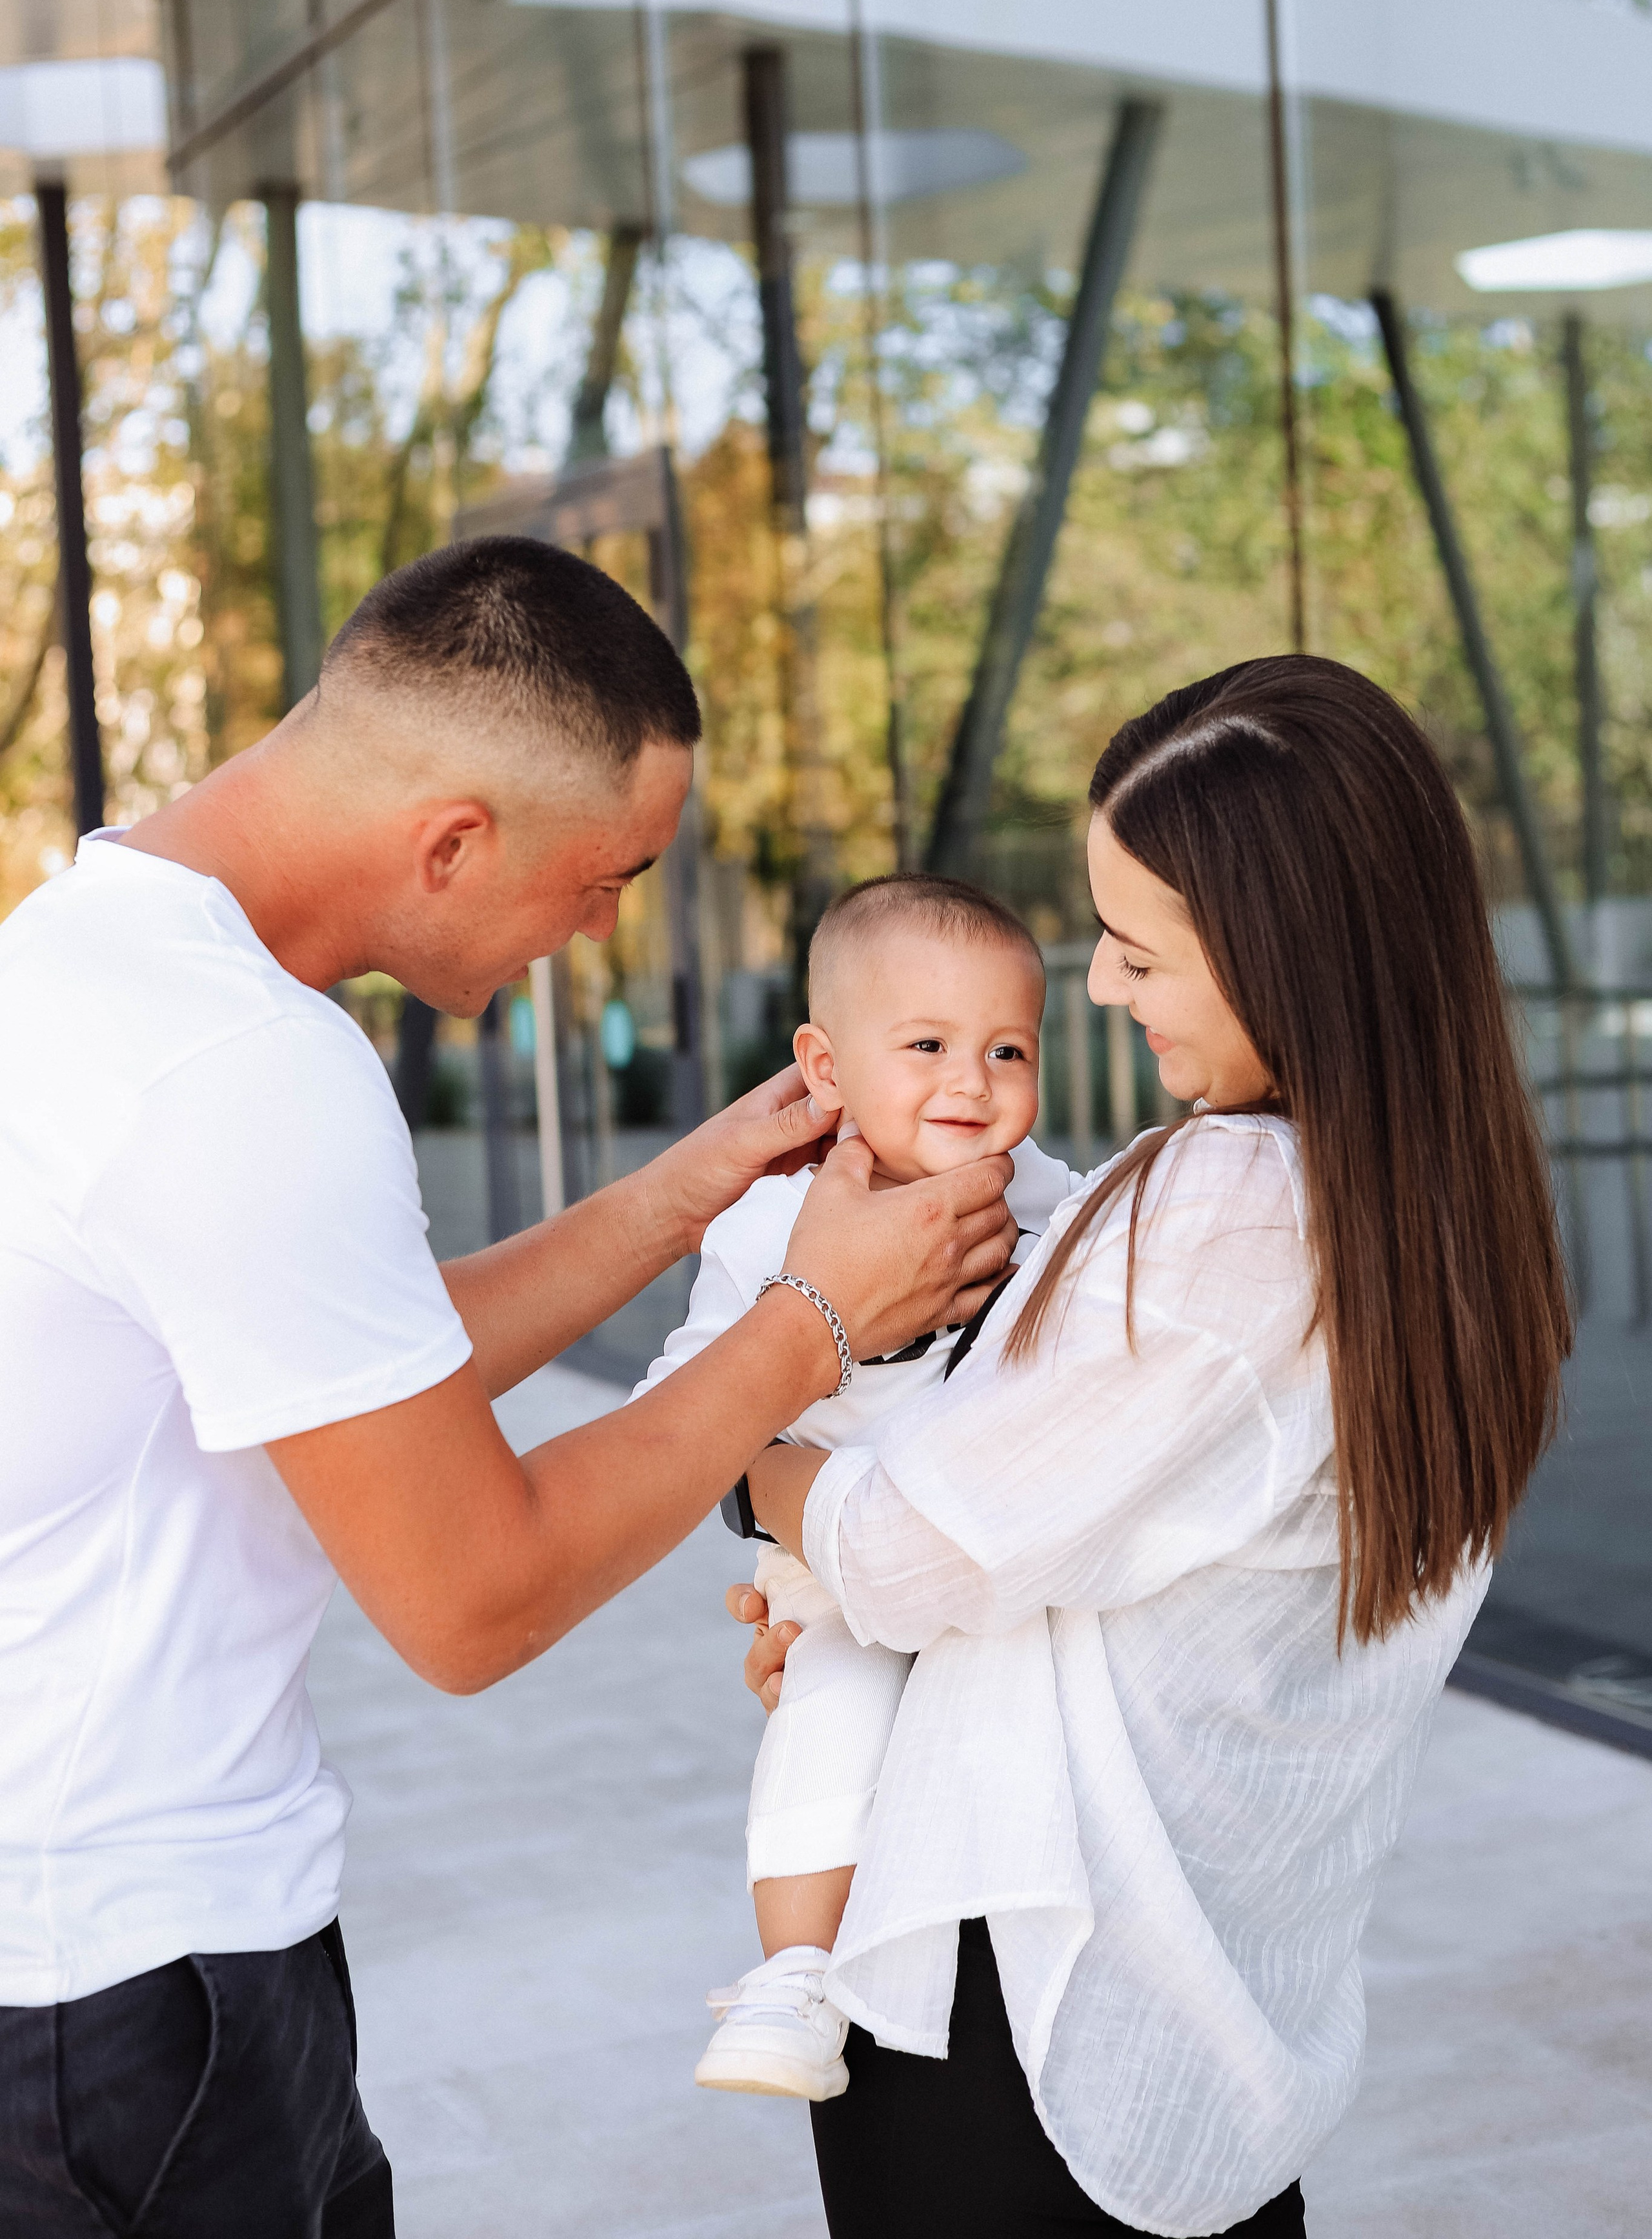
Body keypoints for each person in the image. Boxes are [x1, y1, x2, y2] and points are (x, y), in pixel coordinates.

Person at [0, 537, 1014, 2238]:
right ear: (454, 842)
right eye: (608, 878)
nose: (599, 934)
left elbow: (353, 1369)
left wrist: (688, 1191)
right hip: (123, 1995)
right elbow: (475, 1600)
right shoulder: (245, 1068)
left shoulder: (90, 953)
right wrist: (809, 1328)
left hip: (104, 1964)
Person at [732, 655, 1571, 2239]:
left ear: (1282, 957)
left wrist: (761, 1476)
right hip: (1211, 2015)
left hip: (1032, 2019)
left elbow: (912, 1551)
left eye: (1132, 950)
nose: (1099, 992)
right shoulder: (1450, 1224)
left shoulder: (1232, 1205)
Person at [629, 874, 1082, 2101]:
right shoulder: (769, 1225)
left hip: (999, 1569)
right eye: (927, 1046)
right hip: (834, 1568)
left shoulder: (1058, 1207)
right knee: (830, 1712)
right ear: (826, 1070)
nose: (972, 1083)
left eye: (1007, 1049)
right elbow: (680, 1407)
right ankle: (796, 1975)